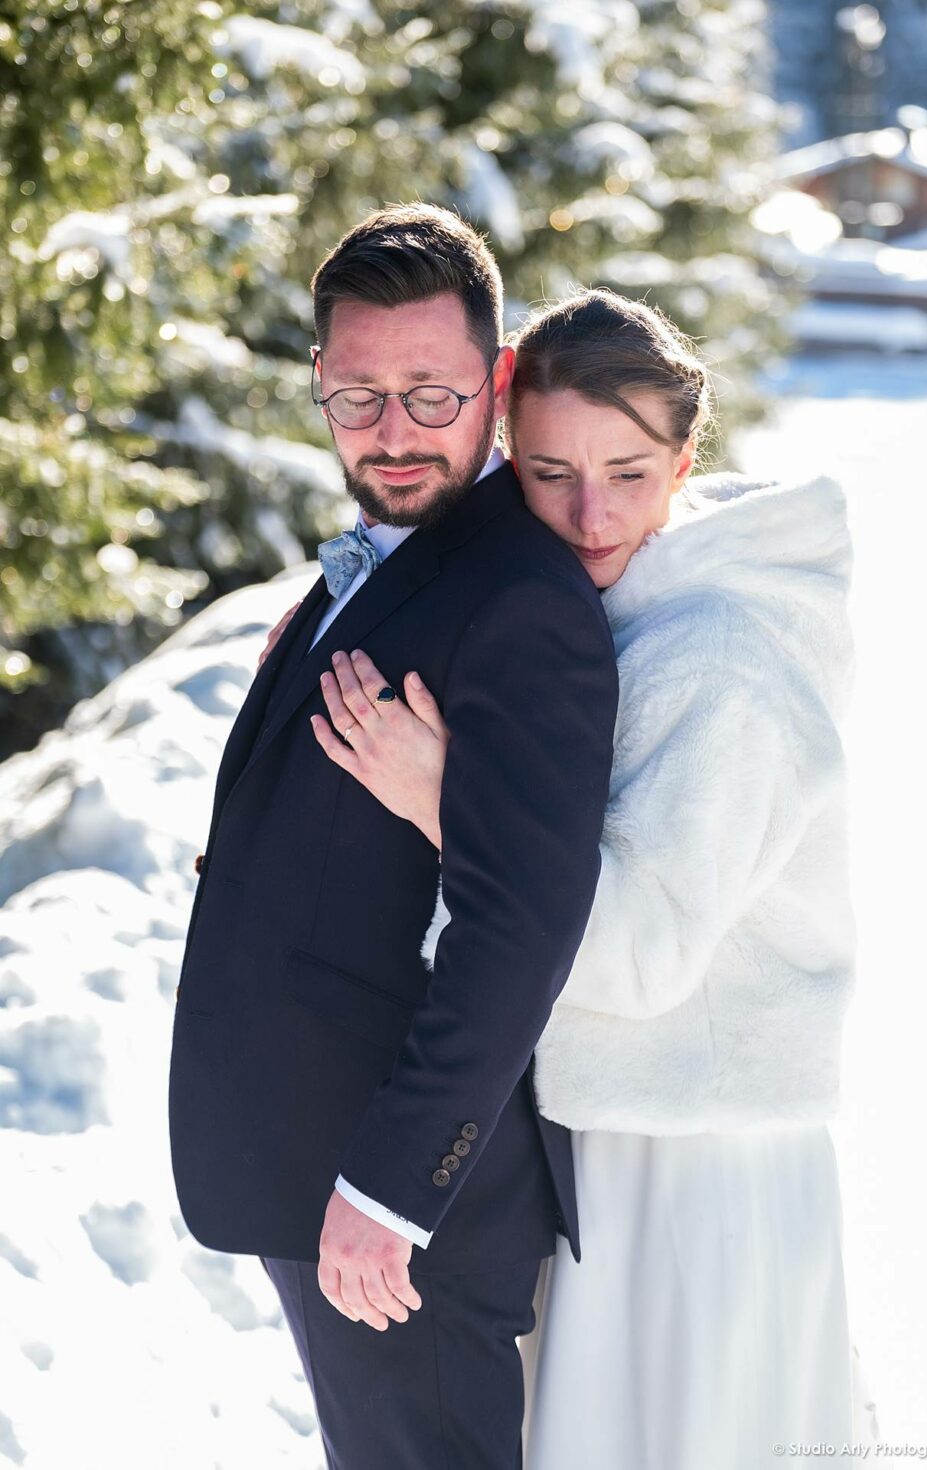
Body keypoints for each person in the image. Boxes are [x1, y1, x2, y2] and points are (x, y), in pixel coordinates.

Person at [285, 287, 871, 1467]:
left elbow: (637, 955)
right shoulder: (616, 607)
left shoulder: (721, 661)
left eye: (627, 472)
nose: (588, 513)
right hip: (613, 1141)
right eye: (548, 472)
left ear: (685, 456)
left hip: (697, 1163)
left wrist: (446, 801)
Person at [167, 208, 619, 1470]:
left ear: (500, 381)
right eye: (356, 396)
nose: (392, 432)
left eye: (431, 394)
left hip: (400, 1205)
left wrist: (389, 1190)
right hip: (316, 1170)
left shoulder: (521, 599)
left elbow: (521, 925)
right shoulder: (393, 553)